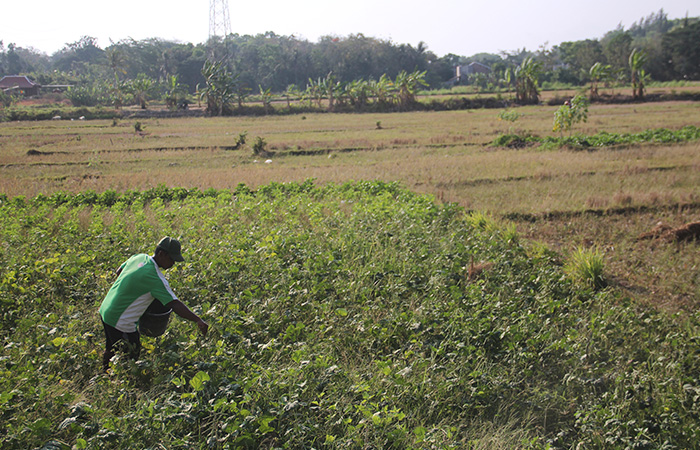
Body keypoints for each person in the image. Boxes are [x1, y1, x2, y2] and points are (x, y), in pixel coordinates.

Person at [99, 236, 208, 372]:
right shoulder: (156, 278)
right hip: (121, 321)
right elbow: (175, 304)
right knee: (131, 354)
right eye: (172, 259)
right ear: (162, 254)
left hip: (106, 309)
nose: (173, 264)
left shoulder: (139, 257)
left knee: (111, 346)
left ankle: (105, 374)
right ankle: (121, 381)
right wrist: (197, 319)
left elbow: (119, 272)